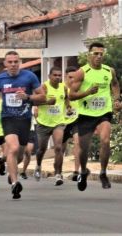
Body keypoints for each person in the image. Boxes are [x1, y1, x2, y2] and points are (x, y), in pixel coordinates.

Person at [0, 51, 45, 199]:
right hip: (8, 118)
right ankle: (15, 183)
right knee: (13, 148)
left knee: (20, 155)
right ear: (5, 64)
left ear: (19, 62)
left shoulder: (29, 77)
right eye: (10, 62)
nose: (13, 64)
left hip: (25, 119)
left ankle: (7, 164)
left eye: (16, 61)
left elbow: (42, 96)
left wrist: (27, 97)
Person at [69, 42, 121, 191]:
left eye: (101, 54)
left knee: (105, 140)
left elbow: (115, 85)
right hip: (86, 114)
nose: (99, 56)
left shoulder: (109, 71)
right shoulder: (82, 72)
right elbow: (71, 95)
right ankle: (83, 171)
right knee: (84, 149)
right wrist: (87, 93)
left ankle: (103, 173)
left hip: (104, 113)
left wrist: (116, 99)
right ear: (89, 55)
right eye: (95, 54)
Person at [34, 67, 68, 186]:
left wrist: (68, 107)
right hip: (43, 123)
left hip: (58, 122)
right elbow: (34, 101)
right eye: (55, 75)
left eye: (59, 75)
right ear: (49, 76)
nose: (58, 77)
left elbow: (66, 99)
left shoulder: (63, 87)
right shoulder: (44, 87)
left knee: (58, 147)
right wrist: (47, 102)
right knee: (41, 149)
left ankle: (58, 174)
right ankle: (38, 165)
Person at [62, 66, 80, 181]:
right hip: (62, 121)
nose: (72, 80)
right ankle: (58, 170)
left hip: (76, 120)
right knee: (60, 149)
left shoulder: (80, 88)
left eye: (75, 77)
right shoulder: (61, 88)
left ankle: (76, 171)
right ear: (65, 77)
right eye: (70, 77)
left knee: (77, 143)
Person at [20, 106, 38, 179]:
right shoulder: (18, 106)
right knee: (19, 154)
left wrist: (36, 111)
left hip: (31, 130)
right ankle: (13, 169)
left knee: (28, 152)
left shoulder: (34, 106)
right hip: (20, 131)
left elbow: (37, 117)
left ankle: (23, 172)